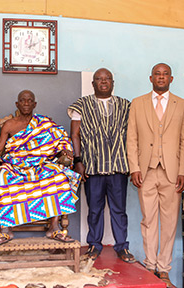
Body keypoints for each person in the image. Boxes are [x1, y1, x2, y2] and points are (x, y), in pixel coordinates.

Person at [126, 63, 184, 280]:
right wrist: (134, 167)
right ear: (150, 78)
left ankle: (164, 268)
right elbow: (132, 138)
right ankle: (150, 264)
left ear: (171, 79)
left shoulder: (182, 104)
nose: (161, 77)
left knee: (170, 221)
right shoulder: (137, 103)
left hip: (172, 173)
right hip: (145, 171)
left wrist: (182, 171)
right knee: (148, 219)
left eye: (165, 75)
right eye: (157, 74)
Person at [0, 90, 80, 243]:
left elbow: (60, 140)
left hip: (40, 164)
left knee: (60, 175)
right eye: (22, 100)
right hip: (15, 165)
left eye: (29, 100)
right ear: (17, 104)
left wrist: (64, 150)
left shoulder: (45, 123)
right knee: (3, 175)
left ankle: (54, 228)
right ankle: (6, 230)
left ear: (34, 104)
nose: (26, 103)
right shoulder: (10, 125)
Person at [68, 68, 134, 263]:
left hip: (118, 166)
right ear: (93, 83)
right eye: (99, 79)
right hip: (92, 167)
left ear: (113, 83)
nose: (103, 82)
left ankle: (122, 247)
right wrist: (78, 161)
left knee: (118, 210)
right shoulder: (81, 105)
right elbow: (75, 135)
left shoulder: (126, 106)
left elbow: (133, 135)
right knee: (94, 209)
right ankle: (94, 245)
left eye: (107, 79)